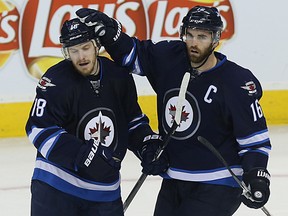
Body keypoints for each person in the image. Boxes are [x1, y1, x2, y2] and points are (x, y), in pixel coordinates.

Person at [76, 5, 272, 216]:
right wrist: (112, 35)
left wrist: (256, 175)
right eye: (189, 35)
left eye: (202, 37)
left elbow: (255, 142)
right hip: (175, 179)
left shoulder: (236, 82)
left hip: (219, 183)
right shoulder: (170, 57)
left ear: (216, 40)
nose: (194, 43)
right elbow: (133, 55)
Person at [25, 17, 168, 216]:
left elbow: (132, 121)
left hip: (104, 193)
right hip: (57, 189)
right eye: (73, 51)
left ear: (96, 46)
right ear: (66, 52)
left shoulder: (118, 75)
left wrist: (147, 145)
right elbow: (39, 128)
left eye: (85, 47)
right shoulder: (56, 80)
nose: (80, 56)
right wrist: (83, 155)